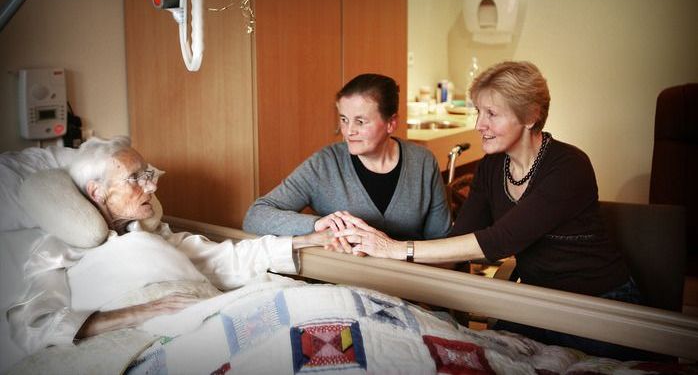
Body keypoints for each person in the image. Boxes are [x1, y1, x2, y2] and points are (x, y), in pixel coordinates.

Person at [334, 61, 648, 360]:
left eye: (491, 114)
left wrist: (397, 249)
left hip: (601, 304)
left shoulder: (569, 166)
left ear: (530, 115)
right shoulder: (492, 166)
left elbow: (499, 241)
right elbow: (460, 242)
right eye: (478, 112)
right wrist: (381, 271)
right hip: (540, 303)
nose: (478, 125)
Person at [7, 136, 332, 354]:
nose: (151, 186)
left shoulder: (154, 235)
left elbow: (225, 259)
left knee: (323, 310)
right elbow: (34, 325)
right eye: (135, 179)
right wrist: (137, 312)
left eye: (147, 174)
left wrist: (304, 241)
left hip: (209, 311)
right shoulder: (56, 252)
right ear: (97, 193)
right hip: (159, 341)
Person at [243, 73, 451, 243]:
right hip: (346, 283)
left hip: (412, 282)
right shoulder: (325, 164)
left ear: (391, 123)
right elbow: (255, 216)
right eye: (344, 119)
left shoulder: (422, 162)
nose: (348, 131)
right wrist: (318, 225)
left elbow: (441, 241)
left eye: (360, 121)